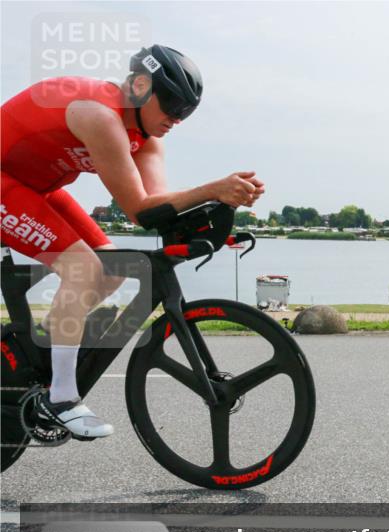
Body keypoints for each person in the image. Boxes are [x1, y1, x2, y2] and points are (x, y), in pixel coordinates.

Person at [1, 45, 264, 439]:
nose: (177, 118)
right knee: (84, 269)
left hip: (36, 187)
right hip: (7, 183)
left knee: (110, 269)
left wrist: (212, 219)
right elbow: (139, 208)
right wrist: (213, 188)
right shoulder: (99, 116)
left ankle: (44, 358)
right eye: (173, 104)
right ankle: (60, 398)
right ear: (140, 86)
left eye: (186, 111)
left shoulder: (147, 138)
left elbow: (157, 210)